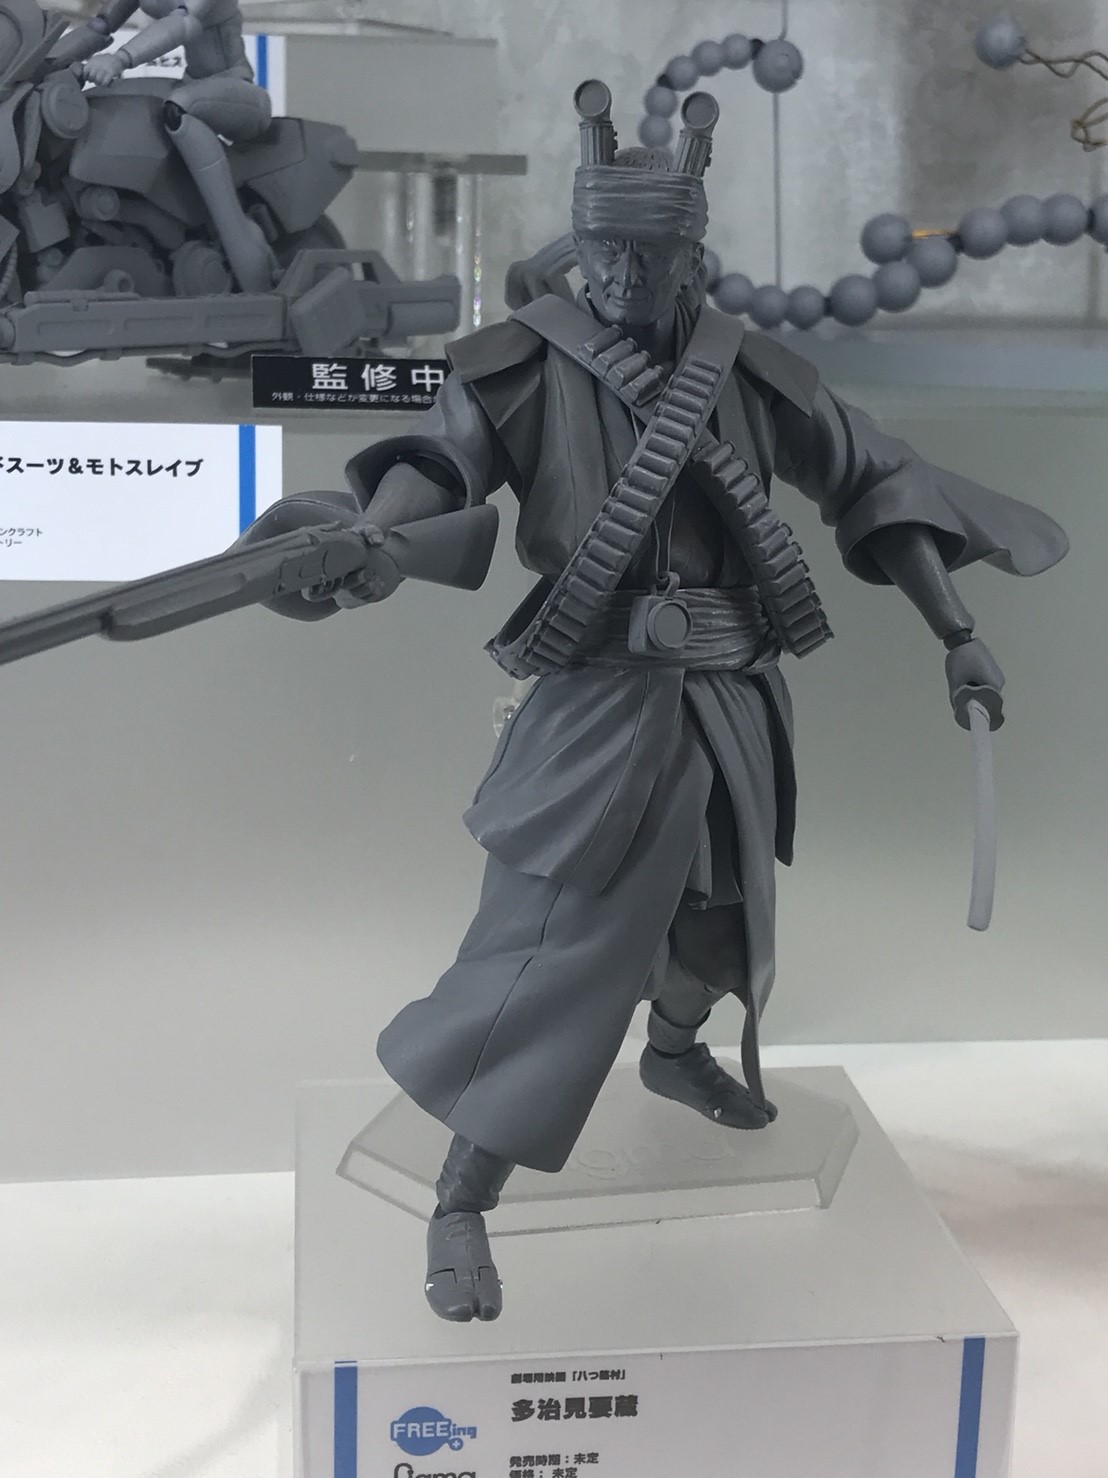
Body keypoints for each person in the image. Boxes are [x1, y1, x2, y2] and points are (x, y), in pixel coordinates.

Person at [241, 82, 1067, 1323]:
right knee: (547, 958)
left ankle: (673, 1053)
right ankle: (463, 1194)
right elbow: (437, 461)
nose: (626, 277)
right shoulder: (522, 363)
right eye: (608, 254)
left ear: (694, 255)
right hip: (596, 706)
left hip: (731, 700)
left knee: (724, 930)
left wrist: (956, 632)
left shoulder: (755, 373)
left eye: (652, 256)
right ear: (582, 244)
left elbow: (874, 479)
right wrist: (374, 535)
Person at [50, 0, 275, 290]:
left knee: (178, 108)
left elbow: (183, 21)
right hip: (194, 83)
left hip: (237, 89)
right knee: (112, 99)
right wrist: (47, 65)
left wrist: (119, 60)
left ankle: (241, 236)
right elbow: (100, 26)